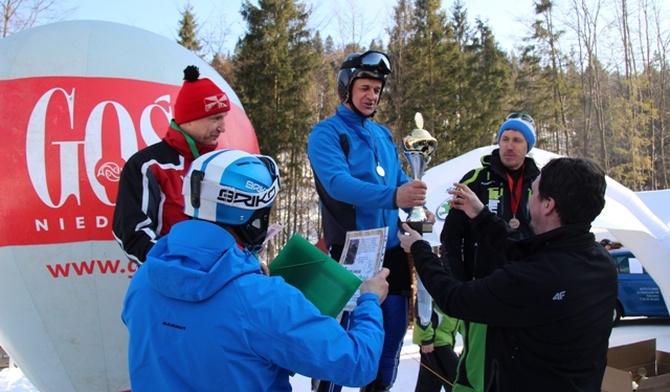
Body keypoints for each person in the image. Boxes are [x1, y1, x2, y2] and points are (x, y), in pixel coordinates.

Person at [122, 149, 391, 392]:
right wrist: (369, 301)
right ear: (253, 217)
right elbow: (358, 364)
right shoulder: (263, 299)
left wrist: (247, 276)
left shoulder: (146, 277)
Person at [399, 157, 618, 391]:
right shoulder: (600, 261)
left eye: (532, 193)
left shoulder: (533, 278)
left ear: (548, 205)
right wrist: (481, 215)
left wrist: (419, 249)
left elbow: (454, 298)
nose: (529, 200)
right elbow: (524, 250)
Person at [307, 50, 434, 392]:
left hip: (390, 253)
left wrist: (415, 209)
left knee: (387, 347)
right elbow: (338, 183)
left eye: (377, 90)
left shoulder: (383, 135)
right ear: (346, 88)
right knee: (337, 351)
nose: (371, 96)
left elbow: (397, 182)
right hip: (346, 254)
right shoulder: (326, 133)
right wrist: (395, 197)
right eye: (364, 87)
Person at [440, 112, 540, 390]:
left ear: (528, 146)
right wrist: (460, 284)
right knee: (477, 365)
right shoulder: (475, 179)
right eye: (504, 139)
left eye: (517, 140)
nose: (509, 145)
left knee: (522, 362)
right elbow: (451, 237)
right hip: (484, 288)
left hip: (528, 289)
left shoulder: (541, 182)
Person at [113, 65, 230, 265]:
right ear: (190, 119)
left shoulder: (221, 165)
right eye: (215, 118)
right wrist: (183, 268)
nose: (223, 127)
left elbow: (233, 230)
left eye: (223, 118)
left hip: (218, 284)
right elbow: (133, 235)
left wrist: (247, 261)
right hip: (170, 285)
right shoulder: (147, 166)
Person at [413, 299, 460, 392]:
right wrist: (426, 337)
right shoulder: (430, 285)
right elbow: (422, 304)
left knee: (428, 384)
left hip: (443, 338)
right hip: (435, 340)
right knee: (458, 380)